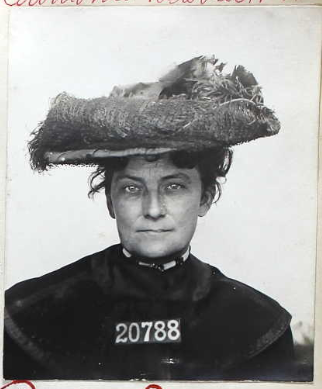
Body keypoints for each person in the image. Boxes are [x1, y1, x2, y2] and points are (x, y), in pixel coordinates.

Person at [4, 56, 298, 381]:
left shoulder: (258, 325)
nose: (153, 209)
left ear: (205, 198)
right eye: (132, 188)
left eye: (173, 187)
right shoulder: (29, 316)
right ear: (110, 201)